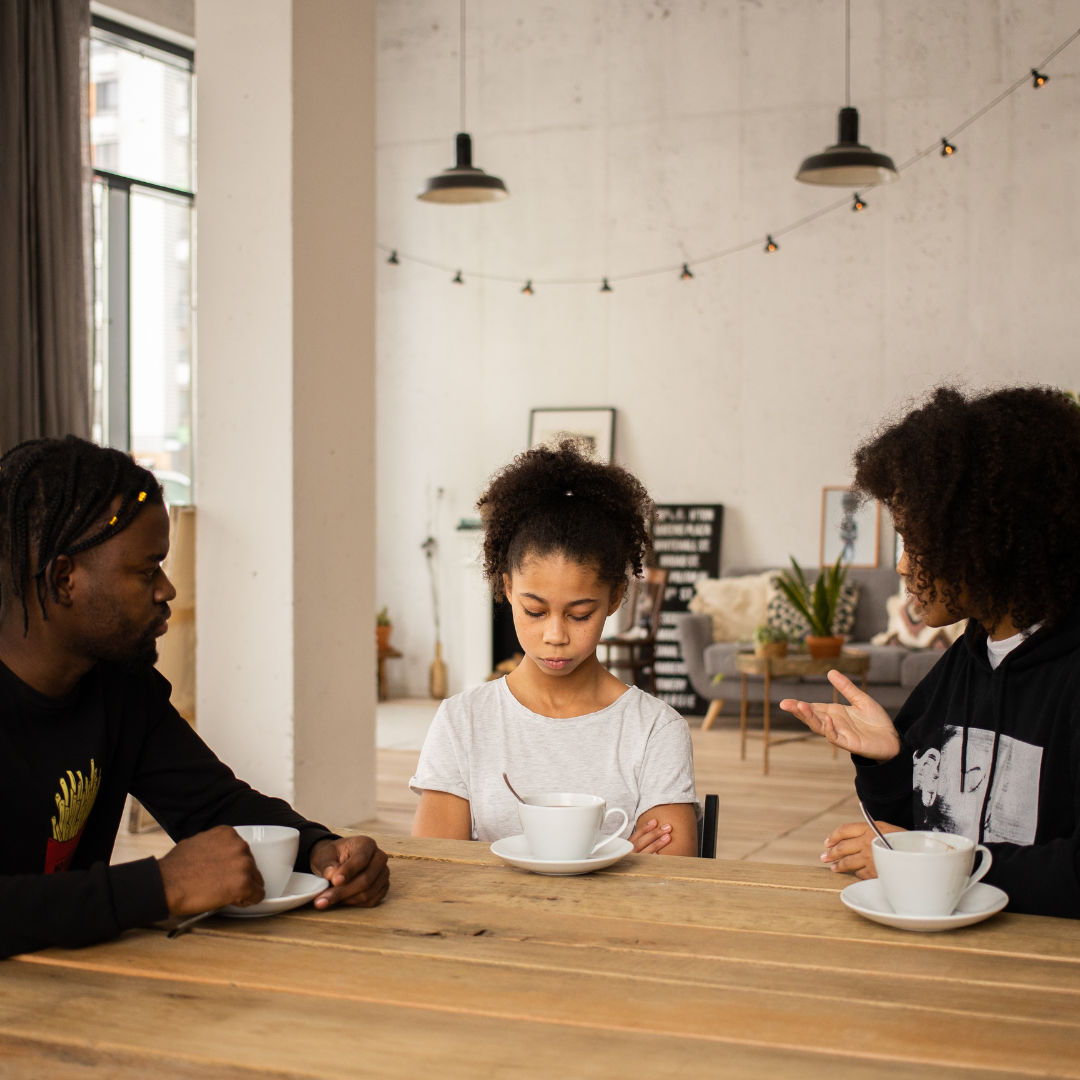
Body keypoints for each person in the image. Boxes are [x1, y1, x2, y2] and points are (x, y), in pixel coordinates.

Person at [0, 436, 389, 959]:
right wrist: (157, 887)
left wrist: (320, 848)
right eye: (146, 570)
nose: (167, 590)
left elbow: (213, 802)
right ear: (66, 579)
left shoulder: (119, 687)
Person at [780, 386, 1080, 918]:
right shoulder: (964, 661)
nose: (902, 565)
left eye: (917, 542)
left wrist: (934, 864)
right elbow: (915, 823)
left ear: (988, 544)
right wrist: (888, 760)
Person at [411, 441, 701, 855]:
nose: (555, 635)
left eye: (580, 614)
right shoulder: (462, 722)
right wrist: (614, 857)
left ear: (616, 597)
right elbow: (435, 869)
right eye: (534, 610)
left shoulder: (655, 730)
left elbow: (671, 882)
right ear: (507, 588)